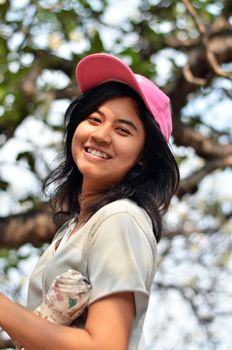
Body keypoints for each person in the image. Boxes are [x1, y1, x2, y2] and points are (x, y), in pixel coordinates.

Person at [0, 52, 180, 350]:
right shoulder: (71, 229)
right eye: (94, 118)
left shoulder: (120, 218)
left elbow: (105, 346)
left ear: (144, 158)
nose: (101, 134)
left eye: (123, 130)